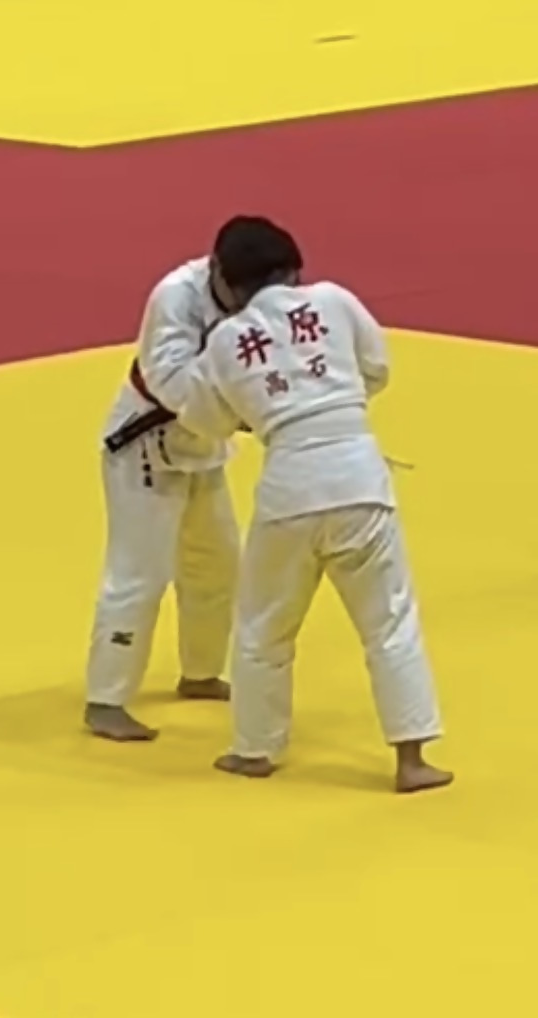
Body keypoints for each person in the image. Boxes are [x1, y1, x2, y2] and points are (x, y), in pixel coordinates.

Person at [176, 219, 453, 793]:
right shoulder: (334, 301)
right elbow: (377, 368)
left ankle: (254, 749)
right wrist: (334, 401)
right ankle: (412, 759)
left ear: (225, 280)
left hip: (290, 489)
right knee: (390, 621)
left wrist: (263, 415)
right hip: (358, 478)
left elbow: (205, 418)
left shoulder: (226, 340)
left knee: (264, 626)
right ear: (294, 267)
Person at [84, 219, 262, 741]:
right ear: (217, 271)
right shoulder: (176, 297)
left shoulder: (267, 295)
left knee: (218, 563)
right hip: (145, 448)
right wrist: (253, 413)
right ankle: (105, 699)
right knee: (140, 573)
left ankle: (201, 670)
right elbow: (173, 383)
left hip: (203, 449)